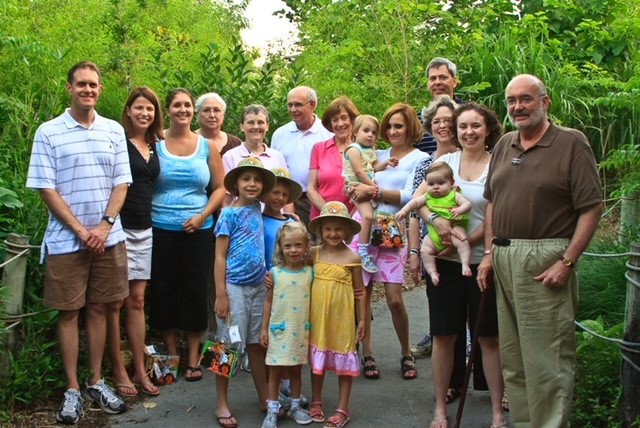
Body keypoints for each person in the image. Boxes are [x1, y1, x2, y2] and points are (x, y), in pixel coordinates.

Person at [478, 74, 602, 427]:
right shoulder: (504, 143)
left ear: (545, 103)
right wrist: (489, 253)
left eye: (526, 99)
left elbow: (591, 207)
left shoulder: (571, 143)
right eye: (512, 100)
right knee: (514, 361)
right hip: (503, 256)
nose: (518, 106)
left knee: (546, 360)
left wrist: (567, 261)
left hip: (546, 258)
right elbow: (492, 203)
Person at [26, 61, 131, 424]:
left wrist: (103, 226)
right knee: (69, 312)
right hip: (66, 240)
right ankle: (72, 388)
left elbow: (122, 182)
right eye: (81, 84)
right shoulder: (49, 131)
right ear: (69, 87)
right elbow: (45, 186)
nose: (88, 90)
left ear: (100, 90)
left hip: (109, 238)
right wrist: (80, 230)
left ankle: (96, 381)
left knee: (101, 308)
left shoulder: (114, 130)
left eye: (93, 85)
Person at [411, 102, 506, 428]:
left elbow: (495, 215)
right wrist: (435, 220)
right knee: (443, 336)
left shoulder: (497, 165)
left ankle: (496, 412)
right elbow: (419, 203)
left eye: (475, 126)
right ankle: (440, 407)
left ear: (488, 129)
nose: (469, 132)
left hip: (481, 262)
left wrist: (470, 240)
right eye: (462, 126)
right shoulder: (444, 162)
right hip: (444, 262)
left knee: (489, 339)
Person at [149, 88, 226, 383]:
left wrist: (203, 216)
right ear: (167, 110)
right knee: (163, 290)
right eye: (176, 105)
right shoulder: (155, 143)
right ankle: (171, 354)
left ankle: (194, 356)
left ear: (193, 110)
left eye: (187, 106)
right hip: (160, 228)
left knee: (195, 289)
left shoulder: (206, 146)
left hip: (199, 229)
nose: (182, 110)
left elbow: (219, 188)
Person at [348, 103, 429, 380]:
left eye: (399, 126)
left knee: (394, 299)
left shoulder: (421, 159)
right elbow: (355, 185)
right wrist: (366, 190)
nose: (393, 131)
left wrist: (375, 190)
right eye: (390, 126)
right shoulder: (376, 154)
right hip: (366, 228)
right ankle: (366, 353)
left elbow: (410, 196)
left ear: (410, 128)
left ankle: (406, 351)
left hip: (393, 228)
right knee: (364, 295)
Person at [106, 86, 163, 398]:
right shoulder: (117, 141)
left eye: (150, 109)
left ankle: (140, 369)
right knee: (114, 302)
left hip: (145, 229)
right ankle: (119, 370)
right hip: (118, 228)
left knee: (137, 301)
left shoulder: (155, 144)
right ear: (128, 110)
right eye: (139, 108)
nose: (144, 113)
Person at [214, 157, 277, 428]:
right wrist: (220, 294)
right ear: (236, 184)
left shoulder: (257, 208)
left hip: (257, 288)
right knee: (225, 345)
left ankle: (265, 397)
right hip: (233, 287)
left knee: (256, 344)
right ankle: (221, 402)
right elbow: (219, 256)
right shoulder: (228, 213)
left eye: (257, 179)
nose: (251, 184)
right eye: (245, 179)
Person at [306, 201, 366, 428]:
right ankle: (316, 400)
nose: (333, 233)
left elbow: (360, 293)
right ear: (320, 231)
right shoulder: (313, 254)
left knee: (344, 357)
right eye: (328, 228)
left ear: (348, 232)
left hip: (343, 319)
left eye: (338, 228)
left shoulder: (352, 258)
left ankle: (343, 407)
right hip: (317, 317)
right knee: (317, 360)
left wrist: (362, 321)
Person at [260, 222, 313, 428]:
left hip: (300, 330)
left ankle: (295, 406)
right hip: (278, 330)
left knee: (296, 371)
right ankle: (272, 409)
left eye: (298, 245)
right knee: (275, 371)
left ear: (306, 247)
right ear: (280, 247)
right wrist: (263, 328)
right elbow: (268, 301)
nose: (293, 250)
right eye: (288, 245)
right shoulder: (274, 273)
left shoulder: (310, 272)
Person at [397, 162, 472, 285]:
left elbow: (467, 204)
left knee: (462, 241)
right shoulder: (427, 196)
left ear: (451, 183)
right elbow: (414, 203)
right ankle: (432, 272)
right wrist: (403, 211)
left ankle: (465, 265)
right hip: (433, 232)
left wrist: (459, 210)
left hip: (454, 226)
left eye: (441, 183)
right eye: (431, 184)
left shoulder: (454, 194)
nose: (435, 187)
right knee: (425, 250)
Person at [271, 86, 334, 225]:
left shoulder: (328, 132)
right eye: (290, 105)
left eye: (298, 104)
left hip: (321, 199)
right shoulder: (280, 134)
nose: (293, 109)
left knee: (319, 244)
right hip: (287, 200)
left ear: (313, 105)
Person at [344, 114, 398, 273]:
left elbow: (373, 167)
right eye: (366, 131)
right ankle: (362, 251)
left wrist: (386, 163)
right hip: (356, 185)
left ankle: (374, 249)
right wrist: (375, 188)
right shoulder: (353, 149)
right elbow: (359, 172)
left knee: (375, 216)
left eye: (374, 133)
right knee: (367, 216)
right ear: (355, 132)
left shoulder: (370, 150)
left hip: (370, 189)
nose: (370, 135)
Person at [307, 96, 359, 220]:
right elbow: (311, 189)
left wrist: (349, 217)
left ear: (352, 120)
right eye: (335, 120)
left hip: (353, 221)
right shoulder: (319, 149)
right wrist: (331, 213)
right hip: (322, 220)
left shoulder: (363, 150)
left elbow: (369, 186)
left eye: (344, 118)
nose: (340, 124)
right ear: (330, 124)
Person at [415, 57, 461, 155]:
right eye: (432, 78)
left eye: (443, 77)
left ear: (454, 81)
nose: (437, 82)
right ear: (428, 84)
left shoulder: (467, 113)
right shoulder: (416, 121)